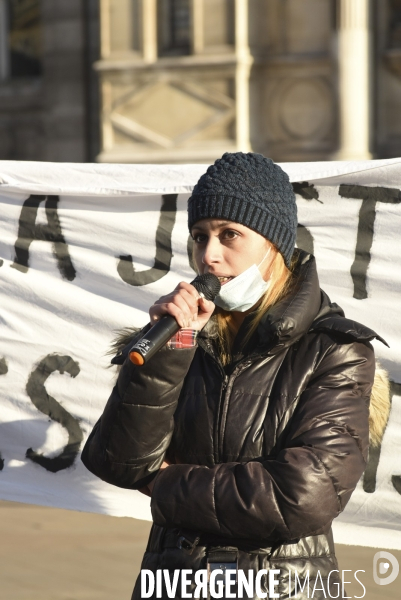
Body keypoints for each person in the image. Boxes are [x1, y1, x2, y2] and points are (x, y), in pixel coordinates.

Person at [81, 153, 389, 600]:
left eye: (230, 235)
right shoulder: (183, 338)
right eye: (199, 236)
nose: (209, 255)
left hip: (284, 586)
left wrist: (166, 484)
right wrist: (172, 347)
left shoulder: (335, 349)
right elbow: (118, 460)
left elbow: (303, 495)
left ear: (274, 244)